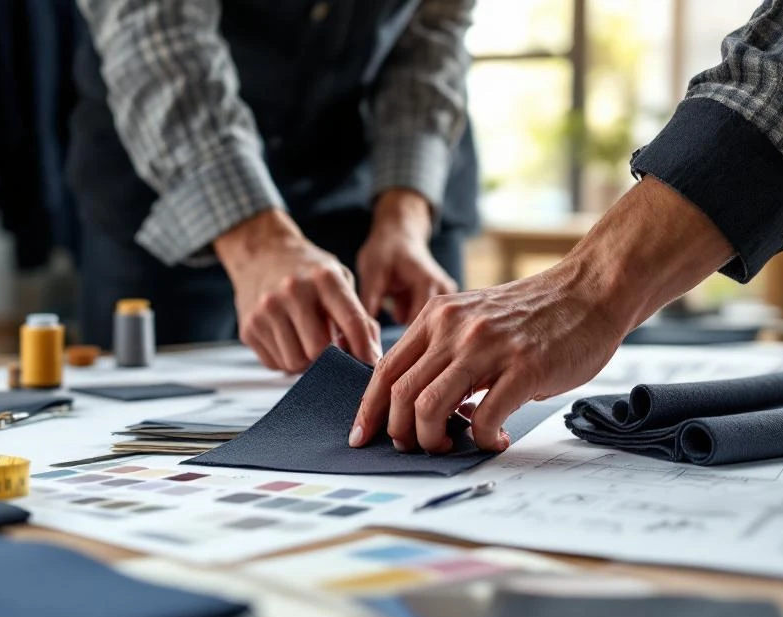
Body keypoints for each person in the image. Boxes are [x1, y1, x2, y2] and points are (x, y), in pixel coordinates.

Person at [350, 0, 783, 455]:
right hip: (313, 219)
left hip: (407, 188)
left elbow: (429, 43)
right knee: (415, 375)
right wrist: (284, 238)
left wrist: (588, 287)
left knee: (434, 380)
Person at [68, 1, 480, 373]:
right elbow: (156, 35)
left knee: (429, 385)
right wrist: (255, 242)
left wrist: (405, 215)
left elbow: (434, 33)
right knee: (143, 408)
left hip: (372, 167)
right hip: (175, 177)